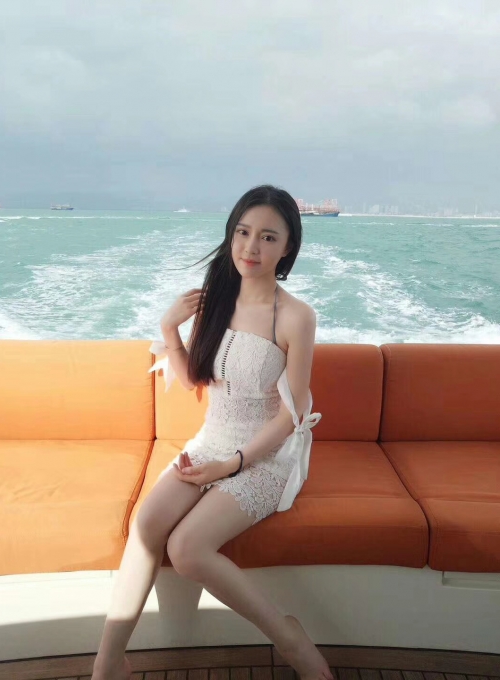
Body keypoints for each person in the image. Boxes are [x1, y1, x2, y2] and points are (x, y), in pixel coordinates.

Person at [91, 185, 334, 680]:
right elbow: (192, 380)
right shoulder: (216, 299)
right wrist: (170, 330)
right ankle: (109, 662)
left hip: (263, 455)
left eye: (268, 237)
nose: (251, 247)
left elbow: (290, 417)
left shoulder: (297, 317)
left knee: (185, 549)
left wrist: (233, 464)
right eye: (243, 232)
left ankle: (289, 636)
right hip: (211, 442)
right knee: (146, 526)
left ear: (288, 247)